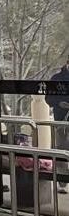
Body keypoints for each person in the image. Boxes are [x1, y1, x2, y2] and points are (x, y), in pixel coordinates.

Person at [45, 58, 69, 193]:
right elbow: (48, 98)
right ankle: (62, 183)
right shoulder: (56, 78)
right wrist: (59, 103)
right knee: (61, 150)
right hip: (61, 120)